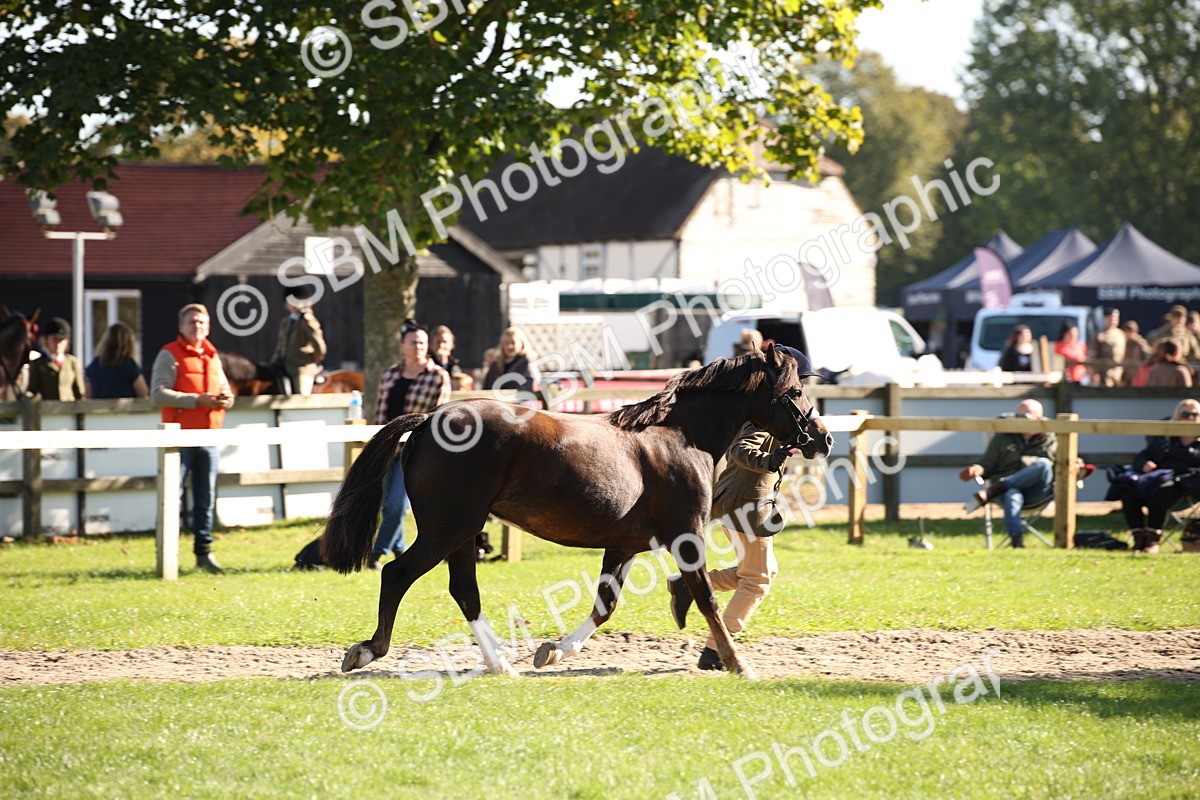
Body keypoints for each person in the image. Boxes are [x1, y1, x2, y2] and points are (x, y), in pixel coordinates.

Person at [664, 346, 815, 670]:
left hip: (744, 502)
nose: (804, 387)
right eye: (801, 381)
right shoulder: (768, 412)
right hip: (745, 504)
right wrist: (773, 459)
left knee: (762, 572)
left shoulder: (780, 412)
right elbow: (741, 450)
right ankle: (716, 649)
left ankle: (687, 584)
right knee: (757, 580)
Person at [151, 304, 234, 573]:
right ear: (181, 326)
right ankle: (167, 554)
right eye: (192, 322)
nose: (197, 326)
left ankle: (204, 554)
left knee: (205, 500)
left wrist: (227, 399)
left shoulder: (213, 355)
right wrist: (196, 401)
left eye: (202, 322)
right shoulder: (168, 354)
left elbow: (224, 389)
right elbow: (158, 394)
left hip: (209, 436)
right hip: (178, 438)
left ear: (208, 327)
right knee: (171, 499)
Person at [369, 319, 451, 569]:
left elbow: (439, 418)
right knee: (386, 504)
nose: (419, 347)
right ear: (402, 345)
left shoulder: (437, 376)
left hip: (415, 451)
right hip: (386, 447)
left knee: (397, 506)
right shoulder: (391, 374)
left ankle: (376, 553)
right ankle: (399, 548)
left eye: (423, 343)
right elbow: (380, 413)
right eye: (413, 342)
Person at [959, 398, 1057, 548]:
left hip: (1037, 491)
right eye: (1018, 416)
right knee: (1012, 494)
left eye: (1025, 416)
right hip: (1007, 493)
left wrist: (1077, 467)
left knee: (1043, 464)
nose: (1020, 420)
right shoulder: (1003, 437)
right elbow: (986, 464)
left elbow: (1069, 459)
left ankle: (995, 489)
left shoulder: (1051, 438)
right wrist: (976, 470)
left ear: (1039, 418)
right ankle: (1017, 542)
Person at [1114, 399, 1200, 553]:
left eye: (1195, 414)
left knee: (1162, 492)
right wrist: (1144, 465)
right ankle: (1139, 538)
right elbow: (1140, 458)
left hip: (1187, 483)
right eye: (1185, 414)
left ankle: (1152, 540)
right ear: (1177, 417)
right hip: (1156, 478)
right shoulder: (1164, 439)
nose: (1190, 418)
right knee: (1129, 491)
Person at [270, 287, 326, 395]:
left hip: (301, 369)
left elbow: (320, 347)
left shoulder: (307, 321)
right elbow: (280, 345)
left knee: (302, 394)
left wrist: (309, 360)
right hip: (283, 366)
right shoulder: (286, 322)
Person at [26, 317, 85, 400]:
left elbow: (79, 394)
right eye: (54, 339)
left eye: (61, 340)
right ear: (46, 340)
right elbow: (33, 389)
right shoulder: (37, 364)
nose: (58, 344)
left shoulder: (73, 363)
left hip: (69, 410)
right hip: (47, 410)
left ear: (67, 342)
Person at [85, 322, 149, 399]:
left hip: (99, 409)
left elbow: (88, 394)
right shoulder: (129, 365)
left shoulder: (95, 365)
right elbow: (143, 393)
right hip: (126, 409)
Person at [481, 327, 541, 393]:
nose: (510, 346)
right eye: (506, 343)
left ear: (522, 344)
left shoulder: (526, 363)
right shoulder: (496, 365)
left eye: (513, 342)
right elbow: (487, 387)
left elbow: (530, 387)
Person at [1089, 308, 1126, 387]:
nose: (1113, 320)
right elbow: (1093, 356)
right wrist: (1094, 374)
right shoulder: (1100, 336)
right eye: (1111, 318)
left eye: (1116, 318)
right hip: (1104, 373)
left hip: (1118, 372)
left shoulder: (1121, 334)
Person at [431, 325, 473, 391]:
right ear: (431, 344)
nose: (441, 346)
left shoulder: (454, 365)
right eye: (438, 342)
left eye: (445, 342)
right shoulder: (427, 365)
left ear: (452, 344)